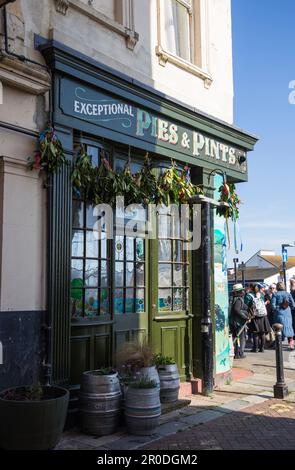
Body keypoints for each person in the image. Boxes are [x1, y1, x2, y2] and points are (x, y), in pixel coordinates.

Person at [245, 284, 271, 353]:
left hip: (254, 316)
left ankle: (255, 348)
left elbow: (246, 306)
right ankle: (262, 348)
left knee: (255, 332)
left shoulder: (249, 296)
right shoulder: (261, 295)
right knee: (262, 332)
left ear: (251, 288)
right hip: (263, 315)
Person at [272, 282, 295, 350]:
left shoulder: (275, 294)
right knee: (289, 328)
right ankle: (291, 344)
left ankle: (278, 345)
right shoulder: (288, 294)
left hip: (279, 314)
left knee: (279, 329)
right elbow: (293, 305)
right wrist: (288, 308)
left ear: (277, 287)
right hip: (287, 313)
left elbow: (273, 306)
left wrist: (277, 309)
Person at [229, 283, 250, 359]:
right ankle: (239, 353)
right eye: (241, 291)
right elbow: (237, 310)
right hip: (238, 323)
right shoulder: (238, 299)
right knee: (240, 338)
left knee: (237, 337)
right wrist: (245, 317)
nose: (243, 292)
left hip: (234, 322)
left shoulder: (233, 298)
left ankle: (237, 352)